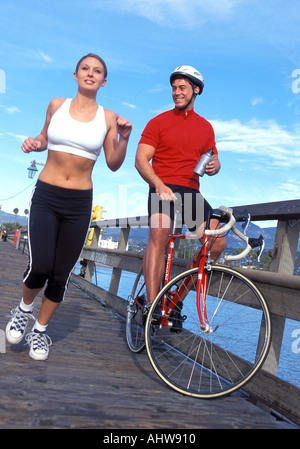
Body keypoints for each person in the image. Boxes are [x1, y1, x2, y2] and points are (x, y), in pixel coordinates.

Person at [5, 53, 132, 360]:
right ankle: (23, 310)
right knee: (40, 266)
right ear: (75, 75)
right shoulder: (56, 105)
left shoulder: (108, 117)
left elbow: (114, 163)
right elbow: (44, 137)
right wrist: (34, 143)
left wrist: (125, 138)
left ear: (104, 81)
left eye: (97, 71)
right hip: (47, 195)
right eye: (85, 69)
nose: (90, 74)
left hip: (78, 202)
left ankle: (40, 331)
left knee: (60, 274)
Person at [135, 65, 226, 305]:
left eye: (182, 87)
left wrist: (215, 166)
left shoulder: (205, 127)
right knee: (159, 235)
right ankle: (152, 307)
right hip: (161, 188)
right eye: (174, 88)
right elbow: (140, 160)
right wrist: (159, 185)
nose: (176, 92)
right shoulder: (158, 122)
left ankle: (176, 299)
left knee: (216, 243)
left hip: (191, 193)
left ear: (196, 90)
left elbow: (214, 159)